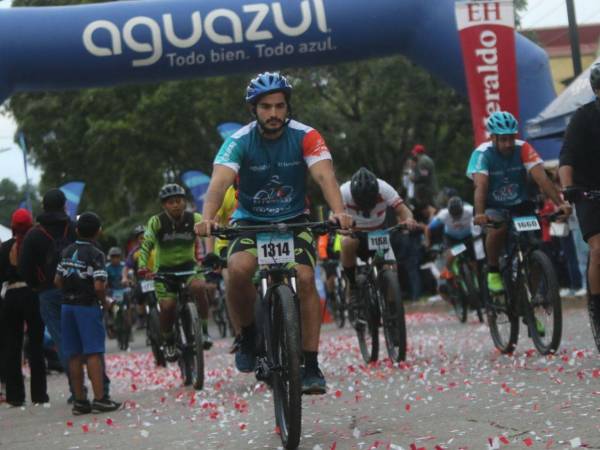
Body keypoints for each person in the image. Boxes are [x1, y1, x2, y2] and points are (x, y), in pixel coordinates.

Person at [195, 72, 352, 395]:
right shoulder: (239, 140)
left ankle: (310, 363)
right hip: (251, 222)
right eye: (266, 107)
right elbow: (219, 183)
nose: (274, 114)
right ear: (253, 109)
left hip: (295, 219)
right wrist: (208, 219)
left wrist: (339, 212)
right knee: (237, 271)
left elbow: (325, 177)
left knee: (306, 279)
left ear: (287, 106)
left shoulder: (306, 136)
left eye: (280, 106)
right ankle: (248, 335)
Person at [18, 188, 110, 401]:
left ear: (43, 207)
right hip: (83, 293)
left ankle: (77, 393)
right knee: (93, 345)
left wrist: (36, 285)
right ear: (64, 206)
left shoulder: (33, 235)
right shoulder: (75, 229)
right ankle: (102, 390)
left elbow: (25, 267)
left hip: (49, 293)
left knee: (65, 343)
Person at [466, 111, 571, 293]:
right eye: (503, 139)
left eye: (511, 138)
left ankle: (533, 296)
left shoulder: (523, 148)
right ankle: (493, 271)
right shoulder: (482, 153)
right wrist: (480, 213)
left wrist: (560, 204)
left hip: (521, 204)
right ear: (493, 138)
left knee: (535, 246)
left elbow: (542, 179)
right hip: (493, 205)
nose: (508, 144)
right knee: (498, 229)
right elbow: (480, 186)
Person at [137, 183, 212, 362]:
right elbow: (146, 244)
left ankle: (204, 331)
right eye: (171, 202)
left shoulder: (195, 218)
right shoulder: (156, 222)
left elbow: (209, 236)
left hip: (189, 267)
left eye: (179, 201)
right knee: (168, 306)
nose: (176, 205)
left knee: (200, 287)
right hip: (165, 272)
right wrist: (142, 266)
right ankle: (169, 341)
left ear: (184, 202)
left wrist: (212, 256)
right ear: (164, 205)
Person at [55, 212, 120, 415]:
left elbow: (57, 281)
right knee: (93, 352)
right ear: (98, 231)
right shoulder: (96, 254)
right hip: (87, 307)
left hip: (67, 307)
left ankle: (80, 401)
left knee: (73, 354)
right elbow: (99, 286)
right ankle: (100, 399)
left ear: (77, 230)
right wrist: (105, 303)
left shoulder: (66, 251)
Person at [340, 167, 417, 306]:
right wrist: (340, 228)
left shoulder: (384, 188)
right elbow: (334, 216)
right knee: (346, 243)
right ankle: (352, 286)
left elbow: (403, 210)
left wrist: (408, 220)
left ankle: (392, 307)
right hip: (356, 233)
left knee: (391, 269)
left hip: (379, 233)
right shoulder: (343, 192)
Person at [559, 62, 600, 318]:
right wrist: (569, 188)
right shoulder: (583, 118)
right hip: (589, 192)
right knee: (599, 250)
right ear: (597, 90)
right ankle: (597, 306)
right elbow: (567, 159)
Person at [0, 209, 48, 406]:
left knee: (11, 347)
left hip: (10, 297)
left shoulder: (4, 248)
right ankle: (39, 395)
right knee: (36, 346)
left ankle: (15, 397)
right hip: (32, 295)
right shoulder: (35, 244)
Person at [410, 144, 438, 208]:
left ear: (417, 153)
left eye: (414, 153)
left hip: (426, 191)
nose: (414, 155)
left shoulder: (423, 161)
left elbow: (423, 176)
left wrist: (413, 178)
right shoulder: (425, 159)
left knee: (428, 209)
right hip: (426, 190)